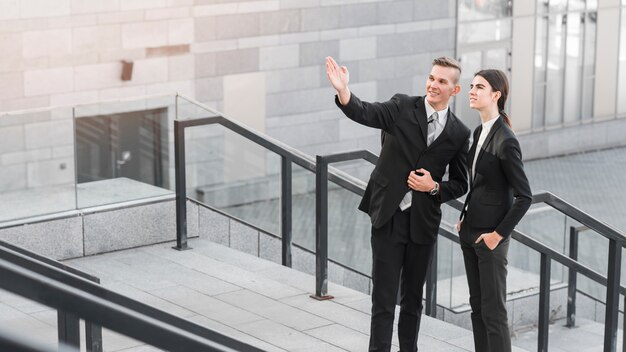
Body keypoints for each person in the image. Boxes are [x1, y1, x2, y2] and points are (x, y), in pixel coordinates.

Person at [326, 56, 470, 352]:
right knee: (383, 299)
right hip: (389, 216)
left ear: (454, 90)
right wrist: (344, 92)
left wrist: (434, 187)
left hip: (423, 223)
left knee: (413, 302)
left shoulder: (459, 133)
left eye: (442, 81)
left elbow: (460, 182)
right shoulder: (403, 105)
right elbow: (365, 112)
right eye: (431, 78)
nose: (433, 84)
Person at [455, 69, 532, 352]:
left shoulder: (506, 140)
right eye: (471, 86)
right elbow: (478, 184)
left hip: (490, 239)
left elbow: (525, 196)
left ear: (496, 95)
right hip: (470, 233)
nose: (472, 91)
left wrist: (497, 235)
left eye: (479, 87)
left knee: (494, 313)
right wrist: (464, 216)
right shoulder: (478, 131)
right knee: (477, 309)